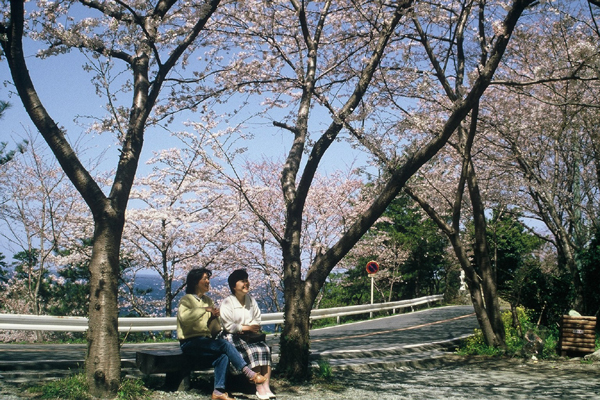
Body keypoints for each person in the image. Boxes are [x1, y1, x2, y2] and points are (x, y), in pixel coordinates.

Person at [177, 267, 266, 400]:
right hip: (189, 342)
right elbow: (184, 318)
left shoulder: (208, 300)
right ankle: (248, 373)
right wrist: (204, 310)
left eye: (208, 278)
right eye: (205, 279)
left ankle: (218, 392)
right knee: (224, 344)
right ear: (196, 282)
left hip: (205, 342)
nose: (208, 281)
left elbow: (214, 331)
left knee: (223, 356)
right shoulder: (187, 300)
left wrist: (214, 318)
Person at [218, 269, 275, 400]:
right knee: (252, 351)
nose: (246, 283)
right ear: (233, 286)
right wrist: (245, 327)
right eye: (242, 281)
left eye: (247, 280)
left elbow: (257, 318)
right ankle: (259, 388)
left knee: (265, 349)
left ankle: (266, 386)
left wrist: (250, 327)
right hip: (232, 336)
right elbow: (228, 326)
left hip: (249, 335)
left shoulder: (251, 300)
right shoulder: (227, 302)